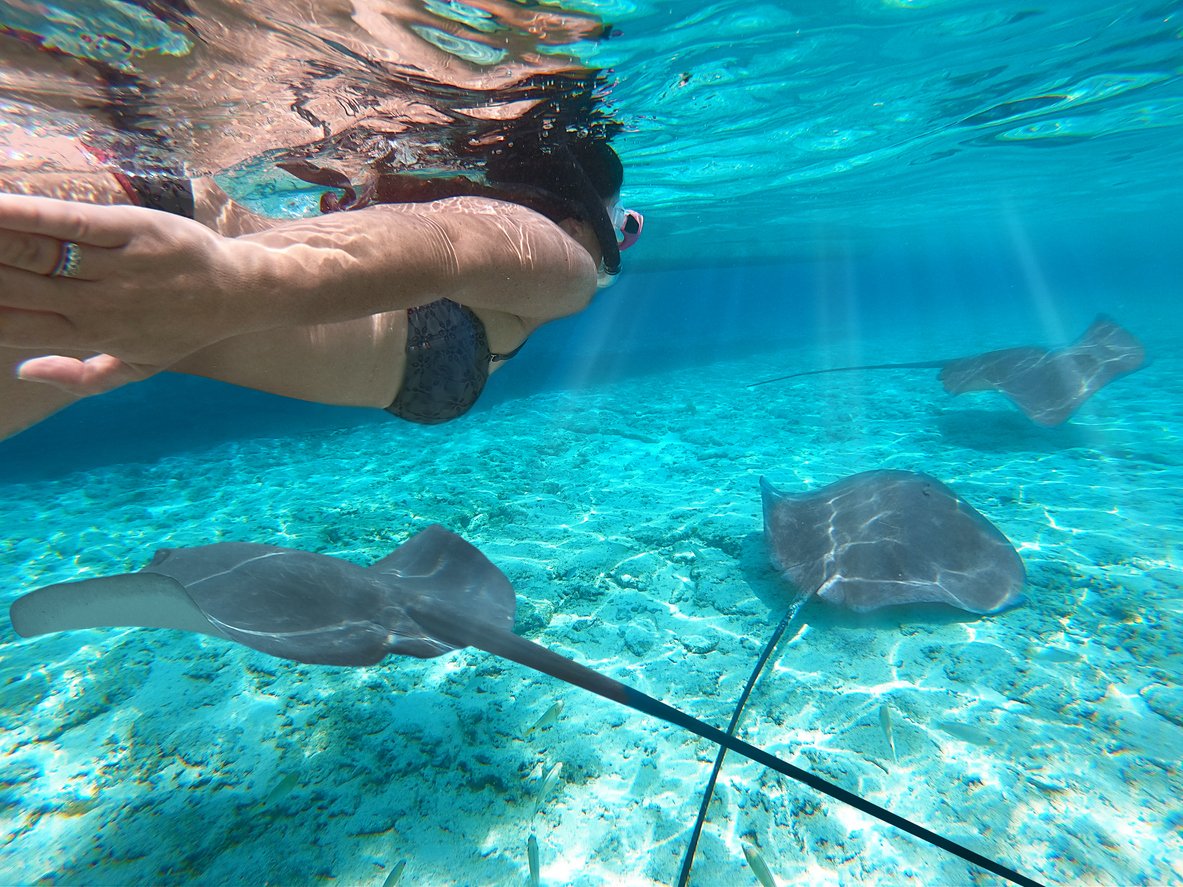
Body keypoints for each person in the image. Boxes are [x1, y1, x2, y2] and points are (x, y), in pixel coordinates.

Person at [0, 2, 644, 441]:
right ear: (573, 215)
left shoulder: (526, 274)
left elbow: (448, 239)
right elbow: (453, 241)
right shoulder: (564, 273)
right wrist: (231, 284)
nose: (619, 242)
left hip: (118, 276)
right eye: (620, 225)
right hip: (125, 253)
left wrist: (229, 283)